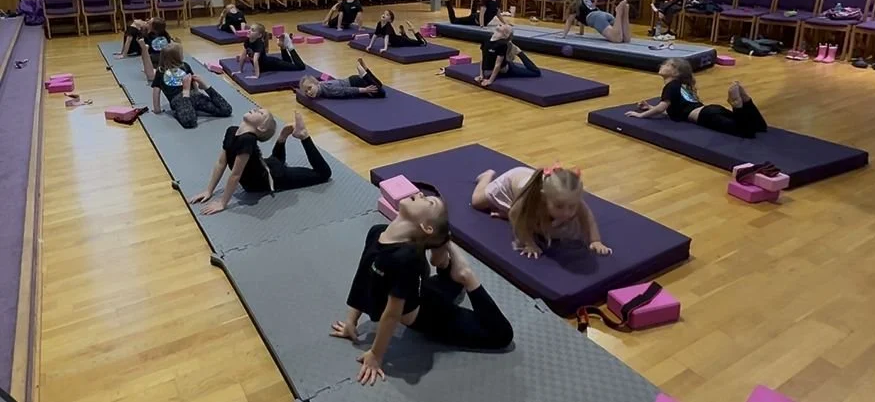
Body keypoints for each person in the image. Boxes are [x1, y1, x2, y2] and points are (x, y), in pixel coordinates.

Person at [332, 193, 513, 386]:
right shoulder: (377, 232)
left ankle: (466, 275)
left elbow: (393, 315)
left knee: (501, 335)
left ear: (426, 227)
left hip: (433, 316)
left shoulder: (406, 258)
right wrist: (351, 321)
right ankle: (446, 252)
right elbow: (363, 276)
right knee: (448, 283)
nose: (419, 194)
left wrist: (376, 354)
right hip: (421, 290)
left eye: (429, 201)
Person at [188, 110, 332, 215]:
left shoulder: (247, 140)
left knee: (323, 174)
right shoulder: (232, 131)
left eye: (260, 113)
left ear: (261, 128)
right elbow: (221, 163)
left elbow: (235, 175)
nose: (255, 110)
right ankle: (282, 138)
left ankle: (304, 136)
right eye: (257, 109)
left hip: (275, 177)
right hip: (266, 166)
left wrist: (222, 203)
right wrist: (209, 190)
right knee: (276, 161)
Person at [471, 164, 611, 259]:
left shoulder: (569, 197)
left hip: (531, 188)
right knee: (477, 202)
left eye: (571, 207)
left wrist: (595, 240)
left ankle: (504, 211)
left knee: (546, 227)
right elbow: (514, 214)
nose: (567, 213)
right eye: (560, 206)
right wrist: (529, 243)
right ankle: (486, 177)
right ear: (544, 197)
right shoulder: (531, 198)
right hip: (512, 181)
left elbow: (586, 216)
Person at [625, 57, 768, 139]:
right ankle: (747, 101)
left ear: (675, 72)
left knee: (745, 132)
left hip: (706, 117)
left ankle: (737, 105)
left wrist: (641, 115)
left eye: (667, 65)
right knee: (759, 127)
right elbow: (673, 110)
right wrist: (650, 107)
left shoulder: (670, 86)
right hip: (711, 110)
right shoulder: (683, 86)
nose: (662, 65)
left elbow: (662, 107)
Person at [151, 43, 232, 128]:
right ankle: (206, 88)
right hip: (189, 97)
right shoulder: (181, 67)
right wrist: (197, 92)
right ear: (177, 57)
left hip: (185, 98)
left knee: (190, 121)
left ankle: (205, 87)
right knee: (225, 110)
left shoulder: (163, 71)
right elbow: (192, 82)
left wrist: (157, 109)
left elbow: (156, 90)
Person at [475, 23, 541, 87]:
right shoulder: (486, 40)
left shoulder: (501, 45)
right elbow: (483, 59)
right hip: (503, 63)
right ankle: (513, 51)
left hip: (508, 69)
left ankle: (519, 52)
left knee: (536, 73)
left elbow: (498, 65)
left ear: (506, 35)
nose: (501, 24)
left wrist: (490, 80)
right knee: (506, 55)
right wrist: (481, 75)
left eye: (504, 26)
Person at [561, 0, 630, 43]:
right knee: (626, 39)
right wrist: (581, 33)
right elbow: (581, 19)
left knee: (617, 39)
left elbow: (569, 22)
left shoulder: (573, 6)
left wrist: (564, 35)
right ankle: (625, 12)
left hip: (596, 19)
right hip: (604, 14)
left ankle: (619, 11)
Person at [237, 25, 306, 79]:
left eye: (252, 30)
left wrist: (256, 75)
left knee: (300, 67)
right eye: (250, 29)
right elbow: (243, 56)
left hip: (273, 64)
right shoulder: (247, 41)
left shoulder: (259, 44)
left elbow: (255, 60)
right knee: (288, 63)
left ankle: (289, 46)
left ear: (259, 35)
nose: (249, 31)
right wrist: (240, 70)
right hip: (265, 66)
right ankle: (283, 47)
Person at [298, 58, 386, 98]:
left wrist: (364, 90)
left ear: (316, 84)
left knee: (381, 93)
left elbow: (345, 91)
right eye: (306, 92)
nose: (308, 92)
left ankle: (364, 74)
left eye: (309, 88)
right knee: (379, 84)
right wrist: (323, 76)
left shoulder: (328, 90)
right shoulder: (321, 85)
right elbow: (328, 78)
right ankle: (365, 69)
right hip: (352, 80)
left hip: (354, 83)